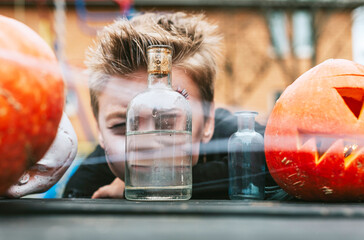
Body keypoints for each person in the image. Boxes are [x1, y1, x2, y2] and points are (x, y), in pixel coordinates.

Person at [63, 11, 286, 200]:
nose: (148, 142)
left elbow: (281, 159)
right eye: (123, 124)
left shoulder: (236, 137)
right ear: (100, 133)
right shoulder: (95, 172)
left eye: (168, 121)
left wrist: (143, 186)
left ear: (207, 123)